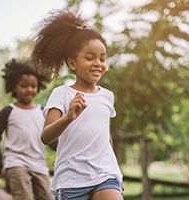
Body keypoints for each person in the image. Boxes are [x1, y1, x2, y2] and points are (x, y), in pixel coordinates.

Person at [31, 9, 124, 200]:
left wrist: (115, 172)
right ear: (73, 63)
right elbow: (46, 137)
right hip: (72, 180)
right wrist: (68, 117)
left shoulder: (107, 96)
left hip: (105, 175)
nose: (98, 63)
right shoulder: (62, 94)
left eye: (102, 58)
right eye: (89, 58)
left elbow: (106, 138)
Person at [0, 59, 53, 200]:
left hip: (39, 165)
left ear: (38, 87)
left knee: (49, 197)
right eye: (24, 86)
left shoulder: (42, 112)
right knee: (24, 197)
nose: (29, 89)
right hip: (16, 163)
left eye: (33, 86)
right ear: (14, 87)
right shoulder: (8, 111)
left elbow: (51, 140)